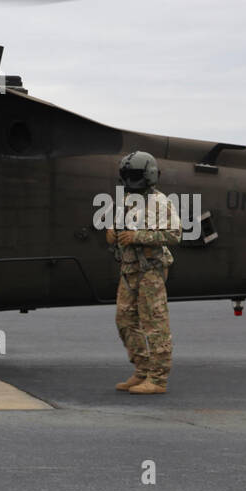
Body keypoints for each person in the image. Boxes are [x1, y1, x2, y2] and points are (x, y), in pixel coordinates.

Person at [107, 150, 181, 394]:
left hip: (151, 270)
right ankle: (141, 371)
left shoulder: (161, 202)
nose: (130, 180)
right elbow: (120, 228)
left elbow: (174, 234)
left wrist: (138, 236)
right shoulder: (127, 199)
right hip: (129, 269)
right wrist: (112, 233)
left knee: (154, 323)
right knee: (125, 320)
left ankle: (158, 379)